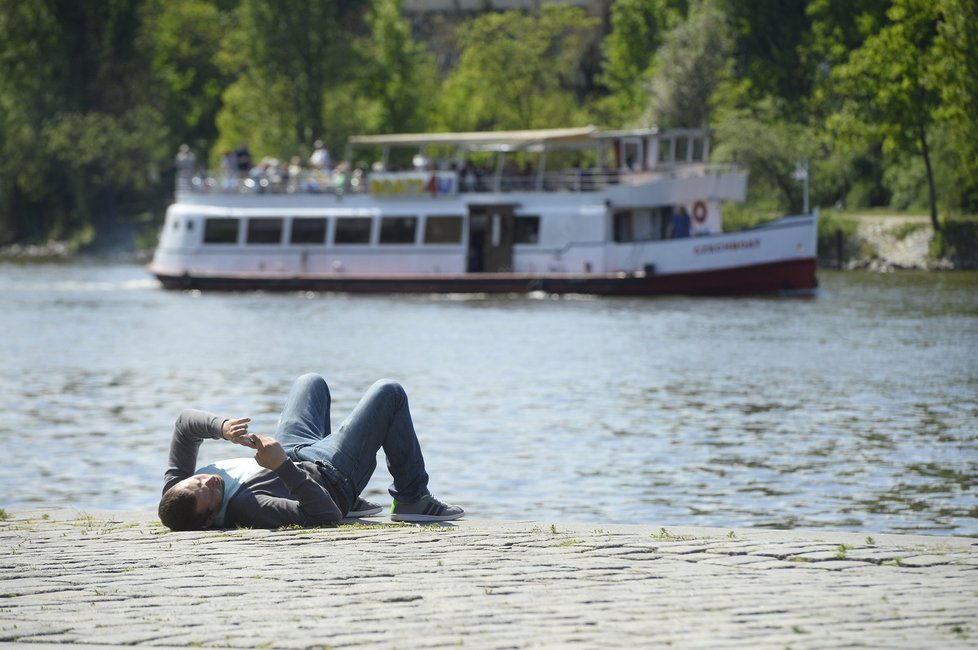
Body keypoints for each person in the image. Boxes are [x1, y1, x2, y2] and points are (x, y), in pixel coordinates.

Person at [158, 373, 463, 531]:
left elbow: (185, 424)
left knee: (310, 382)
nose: (207, 481)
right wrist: (281, 467)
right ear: (210, 519)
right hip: (332, 476)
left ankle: (362, 503)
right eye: (207, 493)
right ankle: (412, 499)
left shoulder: (176, 490)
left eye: (196, 482)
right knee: (389, 392)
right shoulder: (249, 507)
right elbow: (325, 515)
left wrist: (222, 427)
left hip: (294, 449)